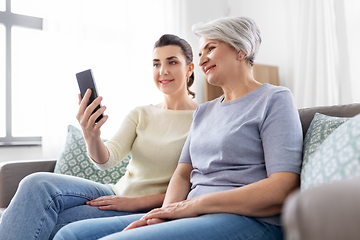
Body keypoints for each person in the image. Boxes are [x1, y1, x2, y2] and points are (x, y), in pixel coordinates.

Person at [53, 16, 303, 240]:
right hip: (191, 213)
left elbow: (283, 186)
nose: (203, 58)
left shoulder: (274, 99)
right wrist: (163, 214)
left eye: (210, 48)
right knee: (70, 234)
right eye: (200, 50)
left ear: (241, 50)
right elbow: (183, 174)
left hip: (246, 218)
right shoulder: (204, 111)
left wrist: (194, 205)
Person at [0, 34, 198, 240]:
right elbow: (107, 160)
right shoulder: (141, 113)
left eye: (172, 62)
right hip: (115, 191)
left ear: (190, 68)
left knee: (48, 222)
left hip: (145, 208)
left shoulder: (202, 118)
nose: (162, 71)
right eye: (156, 64)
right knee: (35, 183)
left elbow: (195, 186)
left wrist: (136, 202)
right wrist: (91, 135)